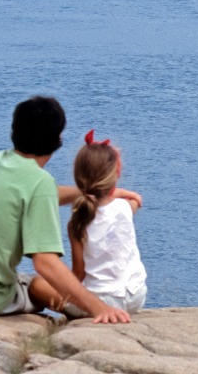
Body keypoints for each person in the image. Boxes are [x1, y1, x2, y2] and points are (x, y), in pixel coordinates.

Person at [0, 96, 136, 324]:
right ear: (57, 140)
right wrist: (99, 308)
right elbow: (45, 263)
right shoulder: (40, 183)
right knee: (39, 285)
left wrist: (86, 193)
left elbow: (32, 195)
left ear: (14, 131)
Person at [61, 130, 148, 318]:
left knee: (40, 287)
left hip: (103, 301)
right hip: (136, 295)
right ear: (116, 174)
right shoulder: (125, 207)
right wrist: (122, 192)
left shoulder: (77, 222)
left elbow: (79, 273)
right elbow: (136, 199)